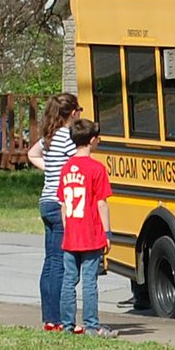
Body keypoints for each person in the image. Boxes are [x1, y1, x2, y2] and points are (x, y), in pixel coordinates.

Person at [57, 119, 118, 338]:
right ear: (92, 140)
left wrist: (67, 228)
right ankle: (91, 325)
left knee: (69, 280)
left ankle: (67, 324)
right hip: (91, 233)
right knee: (90, 281)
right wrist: (107, 233)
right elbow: (101, 203)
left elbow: (64, 204)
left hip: (71, 233)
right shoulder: (96, 168)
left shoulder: (66, 168)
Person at [27, 93, 81, 331]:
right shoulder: (68, 138)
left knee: (50, 262)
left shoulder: (49, 137)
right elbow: (79, 163)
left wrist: (51, 170)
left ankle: (49, 318)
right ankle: (59, 318)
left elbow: (31, 154)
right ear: (71, 113)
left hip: (46, 201)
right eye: (78, 109)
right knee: (60, 262)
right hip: (61, 204)